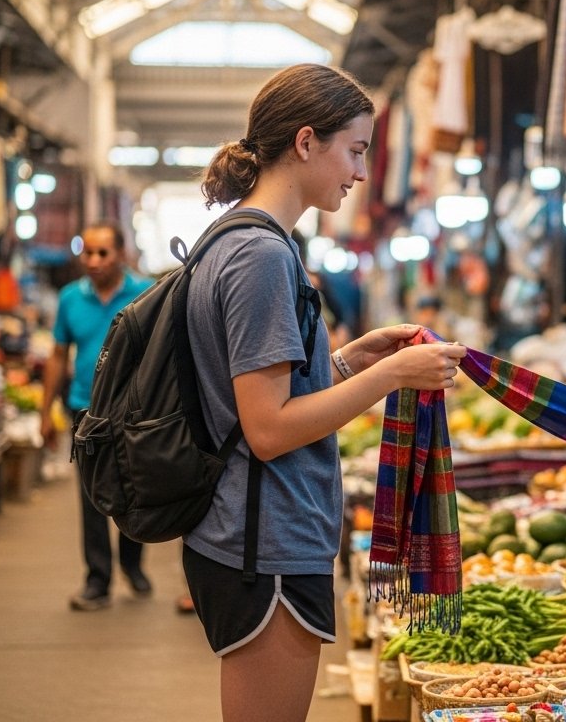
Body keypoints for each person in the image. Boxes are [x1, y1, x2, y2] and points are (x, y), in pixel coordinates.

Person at [191, 63, 465, 722]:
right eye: (356, 150)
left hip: (254, 532)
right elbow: (268, 428)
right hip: (267, 540)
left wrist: (346, 363)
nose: (362, 173)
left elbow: (254, 395)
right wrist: (391, 376)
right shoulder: (261, 255)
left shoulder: (242, 240)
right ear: (307, 141)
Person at [40, 221, 155, 611]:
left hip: (132, 412)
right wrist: (45, 411)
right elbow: (58, 356)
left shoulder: (144, 294)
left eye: (102, 253)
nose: (93, 260)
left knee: (134, 489)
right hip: (83, 411)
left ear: (120, 254)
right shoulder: (71, 298)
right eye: (87, 252)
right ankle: (97, 579)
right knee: (91, 495)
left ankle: (133, 564)